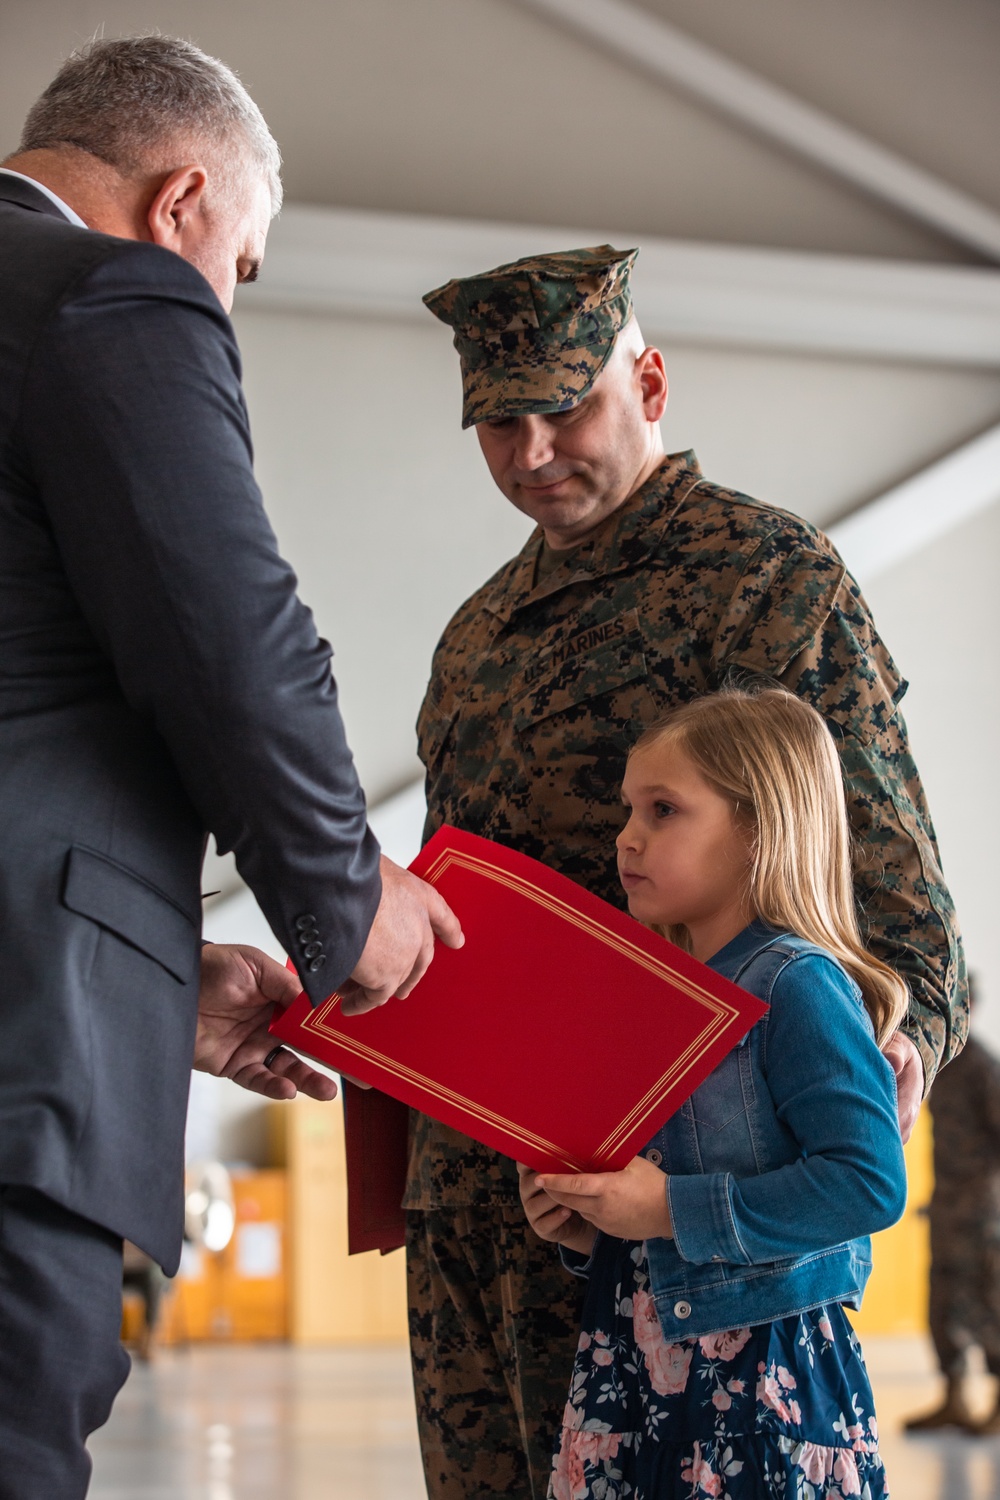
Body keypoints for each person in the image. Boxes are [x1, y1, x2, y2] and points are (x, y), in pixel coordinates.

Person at [405, 245, 966, 1499]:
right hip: (486, 1192)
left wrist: (901, 1045)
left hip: (667, 1205)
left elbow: (894, 889)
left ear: (649, 383)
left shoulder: (766, 577)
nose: (533, 450)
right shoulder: (477, 632)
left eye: (567, 406)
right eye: (499, 422)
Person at [0, 35, 460, 1498]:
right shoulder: (104, 295)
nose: (228, 301)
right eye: (243, 267)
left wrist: (140, 967)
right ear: (184, 201)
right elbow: (227, 634)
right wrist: (344, 892)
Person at [519, 687, 907, 1497]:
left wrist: (665, 1211)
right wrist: (592, 1220)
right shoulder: (655, 995)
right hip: (630, 1361)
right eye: (629, 810)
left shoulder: (799, 985)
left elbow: (868, 1181)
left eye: (664, 810)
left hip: (757, 1381)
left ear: (759, 826)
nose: (627, 837)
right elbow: (658, 1184)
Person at [905, 977, 1000, 1435]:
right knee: (943, 1303)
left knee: (990, 1301)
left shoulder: (982, 1065)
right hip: (946, 1209)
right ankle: (955, 1398)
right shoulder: (940, 1067)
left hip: (983, 1213)